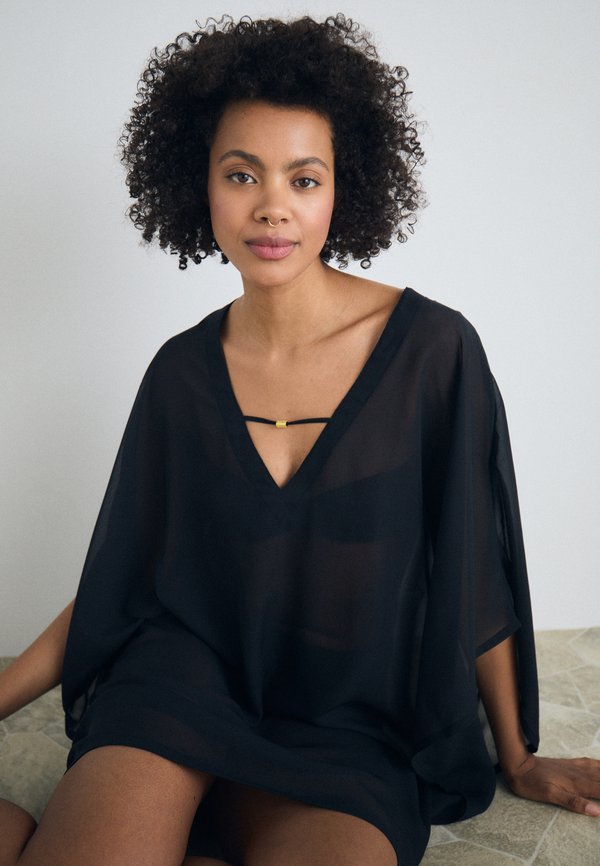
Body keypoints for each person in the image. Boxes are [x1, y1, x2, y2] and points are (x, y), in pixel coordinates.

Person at [1, 13, 599, 866]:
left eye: (304, 178)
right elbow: (116, 586)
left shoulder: (434, 353)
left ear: (342, 189)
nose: (272, 206)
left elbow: (474, 573)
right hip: (172, 696)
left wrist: (519, 755)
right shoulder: (180, 374)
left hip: (349, 727)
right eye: (241, 173)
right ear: (200, 184)